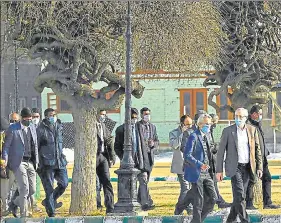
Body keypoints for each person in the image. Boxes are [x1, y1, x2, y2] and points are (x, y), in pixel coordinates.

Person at [216, 108, 263, 223]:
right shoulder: (228, 131)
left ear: (246, 118)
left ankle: (230, 220)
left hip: (247, 167)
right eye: (236, 116)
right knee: (240, 196)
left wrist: (259, 167)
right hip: (234, 168)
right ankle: (245, 221)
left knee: (239, 198)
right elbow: (221, 152)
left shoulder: (252, 130)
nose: (238, 118)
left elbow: (257, 150)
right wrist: (219, 170)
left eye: (240, 116)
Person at [114, 107, 159, 211]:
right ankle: (128, 204)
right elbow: (117, 147)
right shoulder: (121, 129)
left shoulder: (139, 128)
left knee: (143, 180)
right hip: (127, 162)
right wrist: (123, 158)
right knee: (128, 184)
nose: (134, 119)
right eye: (132, 118)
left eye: (135, 117)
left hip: (140, 160)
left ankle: (145, 203)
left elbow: (144, 144)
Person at [176, 114, 217, 222]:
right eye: (206, 124)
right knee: (198, 201)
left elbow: (209, 151)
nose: (209, 126)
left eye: (210, 123)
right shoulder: (193, 136)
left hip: (206, 173)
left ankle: (196, 219)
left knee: (213, 198)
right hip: (196, 171)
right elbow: (187, 155)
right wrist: (200, 164)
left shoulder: (207, 136)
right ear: (199, 125)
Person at [1, 108, 39, 218]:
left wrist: (37, 160)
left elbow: (35, 144)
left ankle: (13, 203)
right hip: (19, 162)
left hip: (30, 161)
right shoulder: (13, 129)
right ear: (21, 118)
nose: (29, 121)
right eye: (26, 119)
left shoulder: (32, 127)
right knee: (24, 188)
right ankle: (24, 215)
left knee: (32, 190)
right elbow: (6, 147)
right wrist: (5, 160)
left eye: (30, 119)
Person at [246, 105, 280, 209]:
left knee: (267, 178)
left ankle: (267, 202)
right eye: (260, 114)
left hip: (262, 157)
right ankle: (249, 204)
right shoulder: (248, 125)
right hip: (253, 158)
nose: (261, 116)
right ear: (254, 114)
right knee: (251, 180)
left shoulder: (257, 124)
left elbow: (261, 141)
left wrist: (265, 152)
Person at [37, 108, 68, 217]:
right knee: (49, 188)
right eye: (51, 115)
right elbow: (36, 148)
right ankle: (51, 212)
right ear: (46, 116)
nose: (53, 117)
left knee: (64, 183)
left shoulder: (59, 126)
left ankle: (49, 201)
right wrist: (39, 163)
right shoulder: (40, 129)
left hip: (60, 161)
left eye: (54, 115)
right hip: (47, 163)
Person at [169, 115, 193, 215]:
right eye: (187, 124)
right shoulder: (174, 133)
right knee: (185, 187)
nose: (189, 126)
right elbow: (175, 145)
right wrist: (182, 134)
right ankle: (179, 208)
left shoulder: (193, 132)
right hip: (181, 165)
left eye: (191, 124)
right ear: (182, 124)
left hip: (192, 164)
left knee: (191, 188)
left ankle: (188, 206)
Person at [209, 114, 231, 209]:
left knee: (213, 183)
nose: (214, 125)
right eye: (214, 122)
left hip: (212, 160)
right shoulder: (206, 131)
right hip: (207, 162)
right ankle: (218, 201)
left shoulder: (210, 131)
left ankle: (219, 201)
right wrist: (214, 148)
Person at [96, 112, 115, 214]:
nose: (103, 116)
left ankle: (110, 206)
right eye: (101, 114)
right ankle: (97, 205)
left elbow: (109, 140)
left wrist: (112, 157)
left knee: (107, 181)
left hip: (103, 156)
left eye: (104, 114)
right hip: (93, 156)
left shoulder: (103, 126)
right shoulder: (91, 126)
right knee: (95, 184)